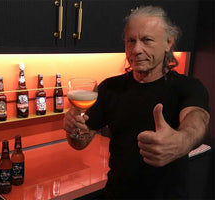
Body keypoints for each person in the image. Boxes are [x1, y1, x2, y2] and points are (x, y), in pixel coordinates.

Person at [63, 5, 210, 199]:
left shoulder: (188, 86)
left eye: (147, 40)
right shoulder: (109, 88)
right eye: (130, 41)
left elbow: (197, 120)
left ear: (168, 42)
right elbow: (80, 142)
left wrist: (180, 142)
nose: (136, 49)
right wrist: (73, 129)